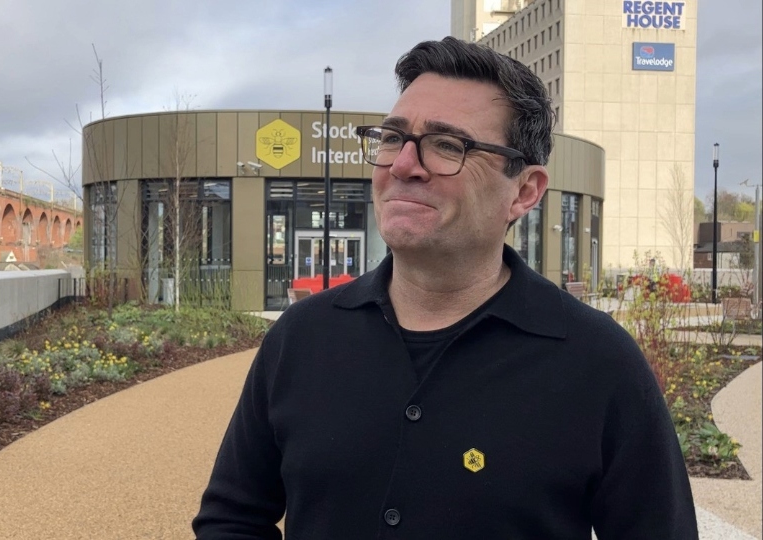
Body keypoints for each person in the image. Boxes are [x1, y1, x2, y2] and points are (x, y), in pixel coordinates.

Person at [193, 37, 697, 539]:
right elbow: (233, 516)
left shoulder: (598, 362)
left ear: (524, 191)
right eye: (393, 138)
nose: (403, 165)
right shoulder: (302, 337)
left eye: (447, 145)